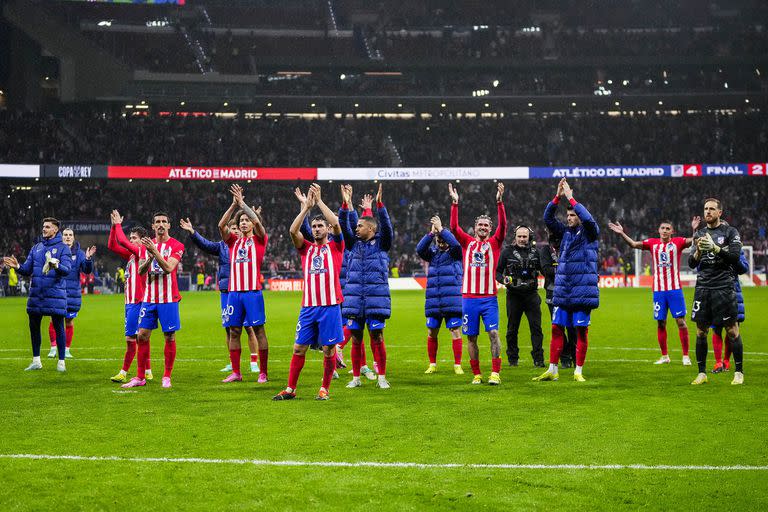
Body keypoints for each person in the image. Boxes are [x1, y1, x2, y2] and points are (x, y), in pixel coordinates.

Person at [273, 184, 345, 400]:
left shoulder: (336, 247)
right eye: (314, 226)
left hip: (330, 306)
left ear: (327, 229)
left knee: (329, 350)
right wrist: (305, 208)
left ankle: (324, 388)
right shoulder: (306, 249)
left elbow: (336, 222)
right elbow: (292, 231)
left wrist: (320, 202)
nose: (316, 229)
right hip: (309, 308)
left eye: (320, 225)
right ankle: (290, 389)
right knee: (298, 348)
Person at [180, 215, 264, 380]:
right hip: (227, 291)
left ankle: (254, 361)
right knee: (230, 328)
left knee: (249, 327)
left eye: (236, 228)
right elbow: (205, 245)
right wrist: (193, 232)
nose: (234, 231)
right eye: (232, 228)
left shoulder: (246, 246)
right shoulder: (223, 246)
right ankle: (233, 365)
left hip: (244, 290)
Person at [608, 218, 699, 365]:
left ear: (672, 231)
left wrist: (694, 229)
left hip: (674, 289)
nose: (664, 231)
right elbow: (633, 244)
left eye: (667, 228)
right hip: (658, 291)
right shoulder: (652, 243)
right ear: (659, 230)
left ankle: (685, 356)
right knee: (661, 323)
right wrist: (622, 233)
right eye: (662, 228)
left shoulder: (678, 242)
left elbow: (694, 241)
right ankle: (665, 356)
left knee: (681, 322)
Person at [534, 178, 599, 383]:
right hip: (564, 290)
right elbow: (548, 218)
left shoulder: (589, 232)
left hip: (582, 290)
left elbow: (588, 219)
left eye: (572, 215)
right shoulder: (565, 233)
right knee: (556, 328)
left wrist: (571, 198)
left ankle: (578, 370)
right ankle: (553, 370)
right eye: (568, 215)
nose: (569, 218)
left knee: (580, 330)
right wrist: (557, 197)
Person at [448, 182, 507, 385]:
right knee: (471, 338)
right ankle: (477, 374)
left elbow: (504, 226)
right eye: (480, 225)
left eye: (486, 225)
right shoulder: (467, 242)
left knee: (493, 332)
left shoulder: (495, 243)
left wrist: (499, 203)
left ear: (490, 229)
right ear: (475, 228)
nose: (483, 227)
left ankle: (495, 373)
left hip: (489, 298)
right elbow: (454, 228)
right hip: (469, 298)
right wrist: (455, 204)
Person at [121, 211, 185, 389]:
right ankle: (140, 376)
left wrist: (155, 252)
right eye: (157, 222)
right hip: (149, 298)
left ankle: (166, 376)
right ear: (153, 225)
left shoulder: (176, 245)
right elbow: (141, 271)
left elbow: (168, 268)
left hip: (169, 298)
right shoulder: (144, 246)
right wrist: (148, 258)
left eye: (164, 221)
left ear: (169, 225)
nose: (161, 224)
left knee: (169, 336)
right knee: (141, 335)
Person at [339, 183, 393, 389]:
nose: (356, 229)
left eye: (360, 226)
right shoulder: (354, 244)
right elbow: (345, 225)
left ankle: (381, 377)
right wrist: (347, 205)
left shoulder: (382, 244)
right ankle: (356, 378)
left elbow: (386, 226)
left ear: (371, 228)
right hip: (355, 300)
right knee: (355, 339)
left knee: (377, 337)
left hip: (375, 300)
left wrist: (380, 206)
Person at [688, 198, 745, 386]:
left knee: (732, 330)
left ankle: (738, 372)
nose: (708, 212)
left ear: (720, 212)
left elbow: (735, 257)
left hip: (724, 286)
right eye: (705, 209)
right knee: (700, 331)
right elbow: (691, 263)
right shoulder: (700, 233)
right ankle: (702, 373)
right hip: (703, 287)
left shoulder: (730, 232)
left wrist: (715, 248)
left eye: (712, 209)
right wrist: (697, 252)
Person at [3, 217, 72, 372]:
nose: (44, 229)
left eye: (47, 227)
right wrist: (17, 266)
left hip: (55, 295)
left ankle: (61, 362)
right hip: (36, 295)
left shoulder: (63, 248)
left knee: (59, 326)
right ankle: (36, 361)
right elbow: (27, 270)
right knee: (34, 327)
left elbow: (67, 270)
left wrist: (55, 264)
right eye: (43, 226)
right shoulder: (36, 248)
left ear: (55, 230)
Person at [219, 184, 269, 384]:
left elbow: (258, 222)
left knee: (258, 331)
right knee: (234, 331)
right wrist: (233, 206)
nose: (244, 223)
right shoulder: (233, 242)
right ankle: (236, 372)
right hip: (234, 293)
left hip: (252, 292)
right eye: (241, 221)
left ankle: (263, 372)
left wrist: (243, 204)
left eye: (246, 220)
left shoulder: (259, 240)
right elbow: (221, 226)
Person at [107, 210, 153, 383]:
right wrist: (113, 227)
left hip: (138, 302)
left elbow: (123, 242)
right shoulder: (132, 256)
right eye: (131, 238)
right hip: (129, 303)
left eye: (134, 238)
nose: (131, 240)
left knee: (131, 339)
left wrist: (118, 224)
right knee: (141, 338)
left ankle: (124, 372)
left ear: (142, 240)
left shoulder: (143, 252)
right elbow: (112, 245)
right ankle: (147, 370)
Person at [416, 215, 464, 375]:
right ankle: (432, 364)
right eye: (439, 240)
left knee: (455, 331)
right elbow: (419, 249)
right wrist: (431, 234)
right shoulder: (432, 254)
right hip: (434, 302)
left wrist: (442, 229)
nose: (441, 243)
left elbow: (456, 243)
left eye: (443, 240)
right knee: (432, 332)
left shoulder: (456, 253)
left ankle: (457, 365)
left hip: (452, 301)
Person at [496, 225, 544, 368]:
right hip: (513, 296)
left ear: (529, 237)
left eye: (525, 236)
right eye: (519, 236)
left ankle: (538, 359)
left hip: (531, 295)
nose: (522, 239)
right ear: (515, 237)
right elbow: (498, 272)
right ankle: (513, 359)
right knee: (512, 329)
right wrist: (502, 280)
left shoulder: (537, 253)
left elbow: (544, 270)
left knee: (536, 328)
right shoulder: (506, 252)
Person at [46, 228, 95, 359]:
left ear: (73, 238)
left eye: (70, 235)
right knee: (53, 320)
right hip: (57, 291)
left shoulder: (79, 254)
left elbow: (87, 270)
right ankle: (53, 347)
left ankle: (67, 349)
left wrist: (88, 259)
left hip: (72, 294)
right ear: (62, 237)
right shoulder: (55, 251)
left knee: (68, 322)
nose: (68, 237)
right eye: (66, 235)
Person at [540, 229, 576, 367]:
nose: (555, 238)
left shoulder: (570, 248)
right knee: (558, 327)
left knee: (573, 328)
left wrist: (559, 270)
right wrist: (566, 270)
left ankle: (575, 356)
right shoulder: (545, 250)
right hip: (553, 294)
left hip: (570, 293)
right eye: (551, 234)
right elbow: (546, 270)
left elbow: (575, 268)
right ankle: (565, 357)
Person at [711, 250, 748, 373]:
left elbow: (743, 268)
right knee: (716, 327)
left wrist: (733, 255)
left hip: (733, 291)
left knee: (732, 329)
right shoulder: (711, 246)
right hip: (715, 290)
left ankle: (726, 361)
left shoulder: (736, 248)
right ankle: (718, 362)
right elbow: (700, 268)